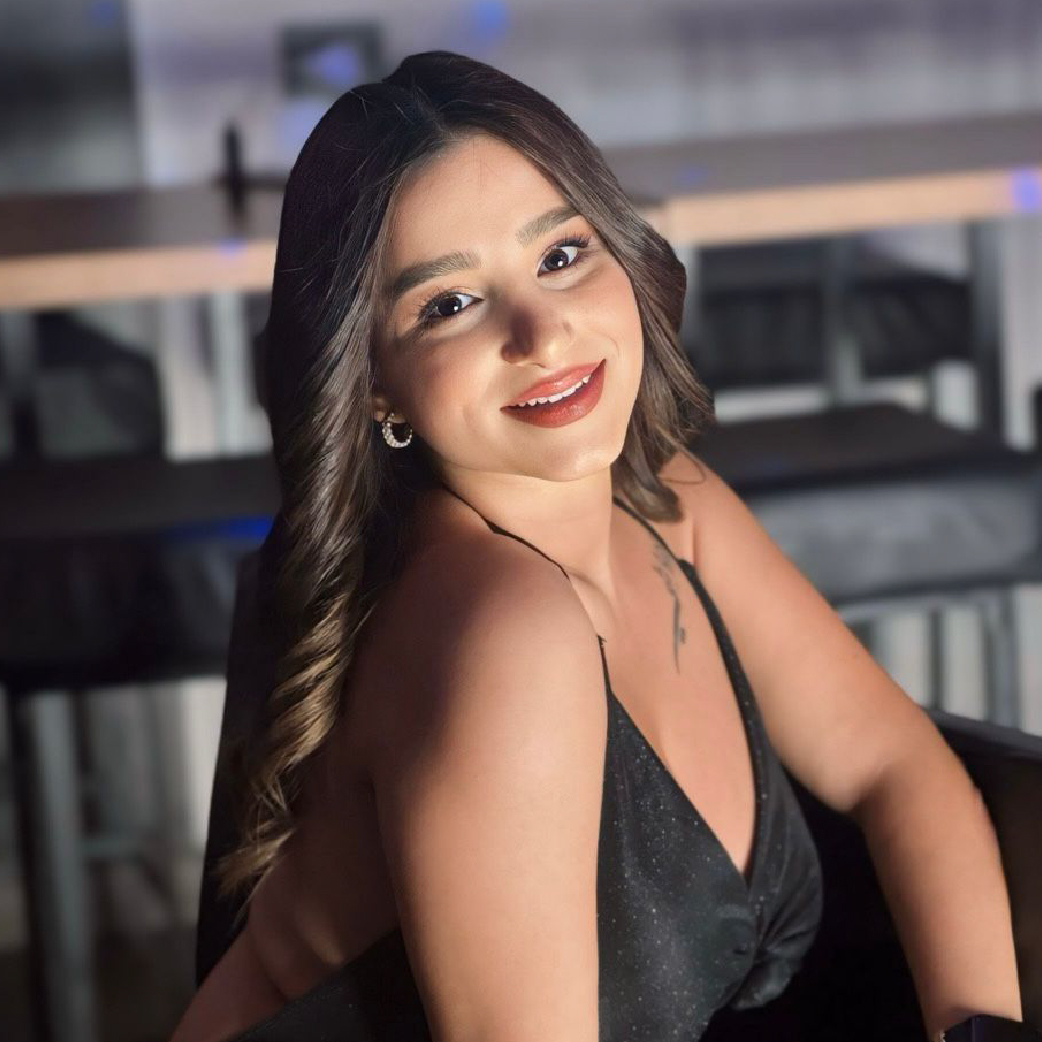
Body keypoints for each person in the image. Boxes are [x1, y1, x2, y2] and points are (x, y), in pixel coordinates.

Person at [169, 50, 1023, 1042]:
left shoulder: (670, 508)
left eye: (561, 254)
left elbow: (896, 769)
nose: (542, 332)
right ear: (372, 387)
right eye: (449, 304)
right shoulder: (501, 629)